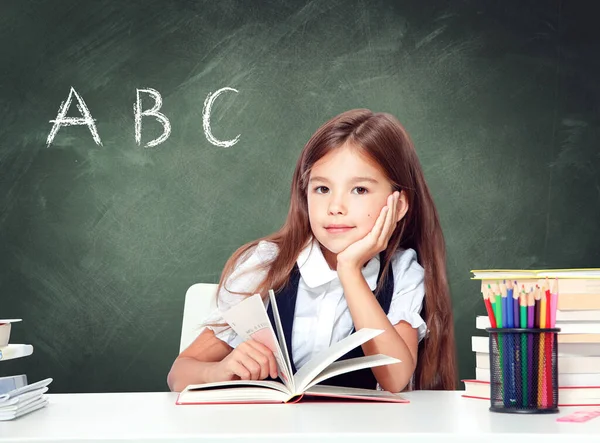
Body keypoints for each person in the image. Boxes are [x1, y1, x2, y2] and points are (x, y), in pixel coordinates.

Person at [167, 109, 457, 393]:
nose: (335, 207)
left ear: (399, 205)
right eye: (322, 189)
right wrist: (218, 370)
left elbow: (395, 378)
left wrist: (349, 269)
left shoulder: (402, 272)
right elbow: (179, 373)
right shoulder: (265, 265)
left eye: (359, 190)